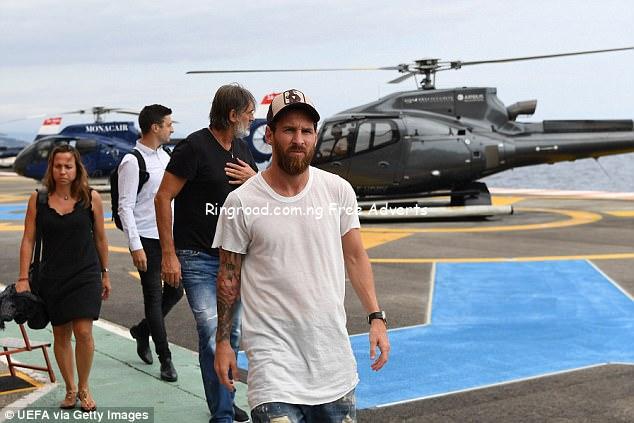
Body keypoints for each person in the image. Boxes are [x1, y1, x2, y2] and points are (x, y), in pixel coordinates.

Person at [212, 89, 390, 423]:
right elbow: (228, 276)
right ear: (269, 135)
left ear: (315, 137)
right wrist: (224, 342)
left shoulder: (337, 191)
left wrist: (376, 317)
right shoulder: (241, 202)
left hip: (333, 367)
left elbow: (355, 257)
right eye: (289, 130)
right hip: (273, 371)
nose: (298, 139)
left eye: (306, 131)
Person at [155, 84, 257, 423]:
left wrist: (254, 178)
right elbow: (162, 197)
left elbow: (260, 196)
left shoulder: (242, 149)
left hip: (233, 258)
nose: (252, 119)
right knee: (212, 331)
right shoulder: (194, 147)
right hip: (196, 255)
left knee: (232, 334)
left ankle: (222, 400)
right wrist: (168, 255)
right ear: (232, 114)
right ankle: (223, 412)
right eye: (248, 113)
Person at [16, 144, 111, 412]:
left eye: (68, 166)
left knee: (83, 331)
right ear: (51, 169)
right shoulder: (38, 200)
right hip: (53, 276)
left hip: (86, 273)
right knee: (61, 333)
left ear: (77, 168)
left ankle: (84, 387)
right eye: (58, 166)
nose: (63, 171)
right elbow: (28, 239)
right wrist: (23, 277)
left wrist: (105, 273)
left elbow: (101, 239)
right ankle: (70, 388)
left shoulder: (91, 198)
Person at [118, 104, 183, 381]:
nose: (172, 129)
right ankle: (165, 358)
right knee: (154, 297)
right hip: (145, 237)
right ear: (155, 127)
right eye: (169, 124)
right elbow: (125, 206)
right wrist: (135, 245)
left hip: (167, 236)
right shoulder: (132, 161)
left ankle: (142, 330)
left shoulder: (165, 156)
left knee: (176, 291)